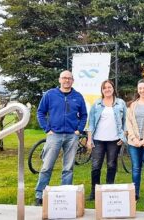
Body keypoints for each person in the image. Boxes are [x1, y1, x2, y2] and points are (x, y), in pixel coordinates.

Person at [34, 70, 88, 206]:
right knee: (47, 166)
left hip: (71, 136)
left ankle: (66, 194)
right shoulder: (50, 94)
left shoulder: (78, 96)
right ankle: (39, 194)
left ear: (73, 81)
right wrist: (47, 129)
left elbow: (84, 115)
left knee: (68, 168)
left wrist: (79, 130)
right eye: (64, 78)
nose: (67, 80)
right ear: (59, 80)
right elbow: (40, 112)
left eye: (69, 78)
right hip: (54, 135)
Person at [86, 80, 127, 200]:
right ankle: (94, 192)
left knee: (111, 165)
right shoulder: (97, 104)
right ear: (102, 90)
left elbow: (126, 122)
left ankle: (109, 189)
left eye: (109, 87)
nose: (107, 89)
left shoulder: (121, 103)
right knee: (95, 166)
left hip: (114, 140)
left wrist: (123, 137)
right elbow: (91, 123)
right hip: (98, 140)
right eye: (105, 88)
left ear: (113, 88)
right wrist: (89, 139)